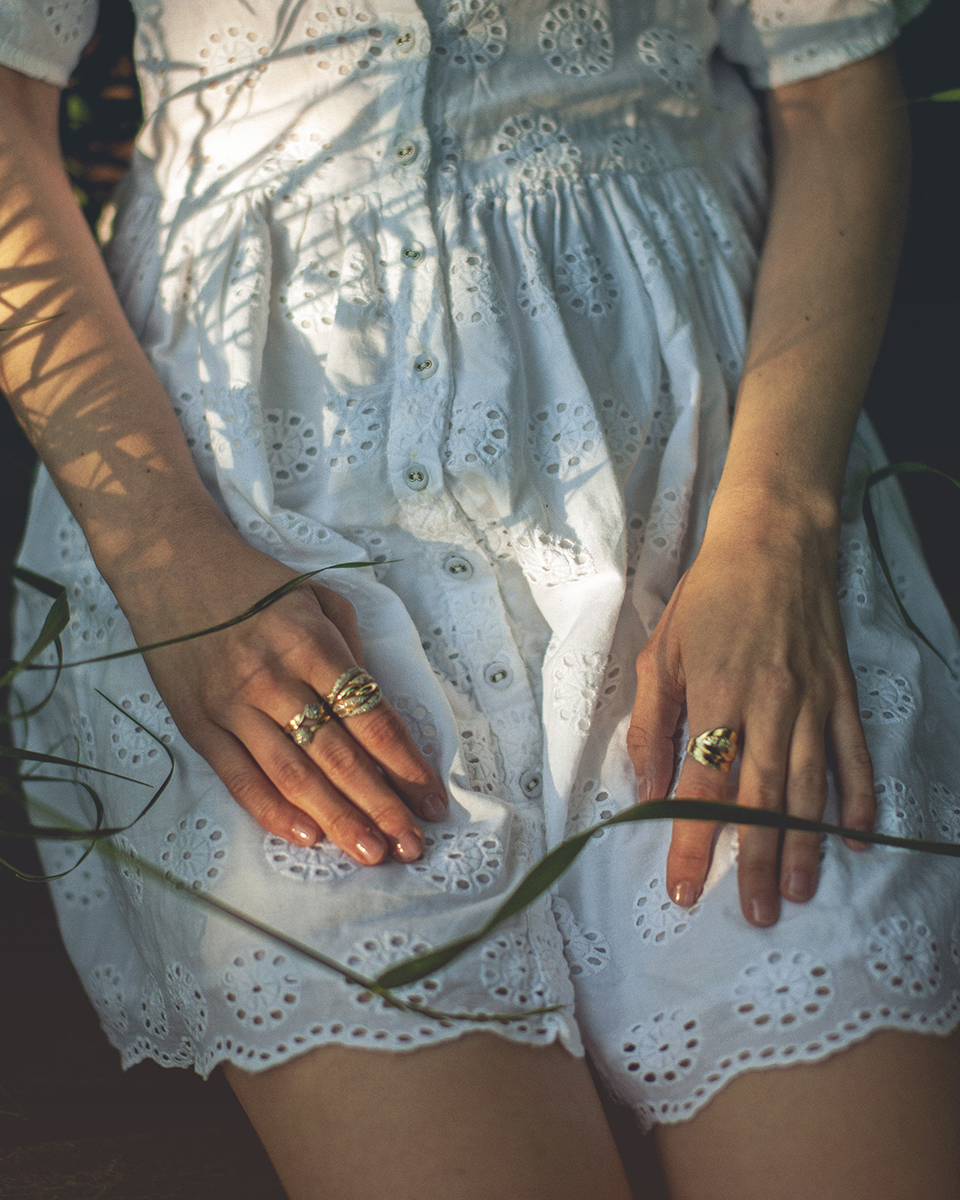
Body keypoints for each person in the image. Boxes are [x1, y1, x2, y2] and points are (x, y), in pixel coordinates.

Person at [2, 1, 959, 1196]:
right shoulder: (206, 561)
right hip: (253, 512)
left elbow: (832, 87)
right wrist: (169, 563)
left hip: (713, 475)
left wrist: (777, 532)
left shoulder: (757, 523)